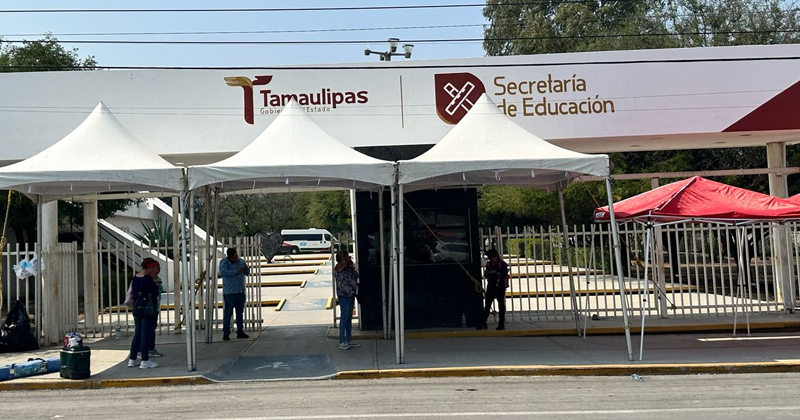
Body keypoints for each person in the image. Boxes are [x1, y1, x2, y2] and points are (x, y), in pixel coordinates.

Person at [128, 258, 160, 369]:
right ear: (151, 268)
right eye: (156, 268)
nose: (156, 270)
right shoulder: (148, 279)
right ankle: (145, 360)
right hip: (147, 309)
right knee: (145, 334)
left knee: (137, 333)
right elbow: (154, 293)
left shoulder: (135, 277)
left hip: (137, 308)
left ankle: (132, 359)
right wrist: (156, 284)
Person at [219, 247, 250, 341]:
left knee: (240, 313)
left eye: (237, 256)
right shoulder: (224, 262)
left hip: (240, 291)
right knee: (228, 313)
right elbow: (223, 272)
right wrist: (235, 272)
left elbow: (247, 273)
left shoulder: (241, 261)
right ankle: (226, 333)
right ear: (229, 257)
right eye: (233, 258)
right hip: (230, 292)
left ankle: (240, 331)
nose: (236, 259)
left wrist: (246, 269)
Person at [477, 249, 509, 331]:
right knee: (487, 305)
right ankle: (483, 322)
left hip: (500, 286)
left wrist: (496, 272)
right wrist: (487, 273)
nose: (491, 260)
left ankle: (501, 324)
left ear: (496, 256)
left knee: (501, 305)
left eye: (492, 258)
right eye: (489, 258)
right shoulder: (489, 264)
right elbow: (486, 275)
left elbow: (504, 274)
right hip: (491, 286)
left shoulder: (502, 264)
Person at [334, 249, 359, 350]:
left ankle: (349, 339)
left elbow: (356, 275)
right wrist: (343, 257)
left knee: (349, 318)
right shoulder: (339, 266)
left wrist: (351, 265)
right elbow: (342, 264)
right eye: (346, 255)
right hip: (343, 295)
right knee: (344, 318)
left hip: (351, 294)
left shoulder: (348, 266)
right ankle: (342, 341)